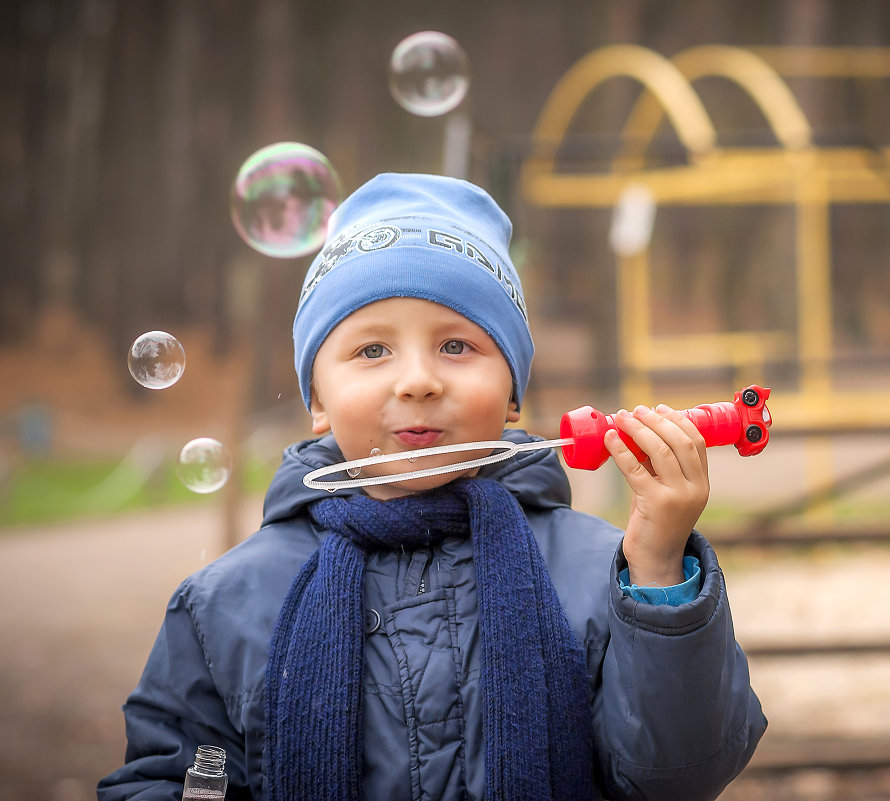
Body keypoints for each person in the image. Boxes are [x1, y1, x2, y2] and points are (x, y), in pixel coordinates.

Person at [99, 173, 767, 801]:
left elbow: (682, 774)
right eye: (371, 350)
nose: (416, 380)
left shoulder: (602, 573)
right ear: (318, 401)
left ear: (512, 396)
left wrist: (656, 567)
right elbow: (179, 773)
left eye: (455, 346)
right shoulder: (224, 604)